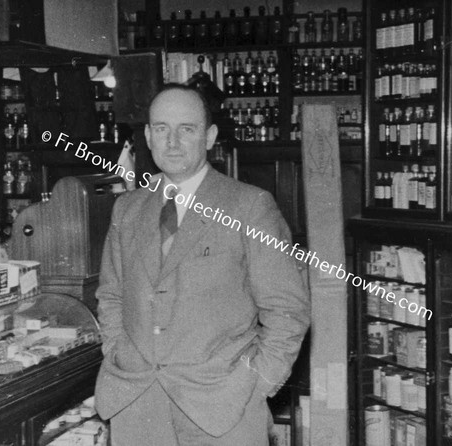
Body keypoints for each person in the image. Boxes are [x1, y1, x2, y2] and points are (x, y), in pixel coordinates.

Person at [94, 84, 310, 445]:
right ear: (148, 136)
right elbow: (111, 295)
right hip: (137, 403)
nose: (173, 141)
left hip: (223, 408)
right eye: (161, 129)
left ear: (209, 137)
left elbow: (288, 311)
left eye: (187, 129)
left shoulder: (250, 206)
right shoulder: (127, 209)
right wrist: (118, 350)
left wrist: (254, 384)